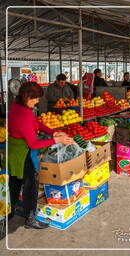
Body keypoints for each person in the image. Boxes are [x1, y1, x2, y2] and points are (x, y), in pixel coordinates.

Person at [8, 82, 73, 229]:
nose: (38, 101)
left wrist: (53, 132)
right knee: (31, 185)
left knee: (15, 182)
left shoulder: (18, 106)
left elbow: (35, 123)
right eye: (36, 98)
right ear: (27, 97)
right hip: (22, 154)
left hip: (14, 151)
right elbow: (33, 144)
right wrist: (57, 140)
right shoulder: (23, 114)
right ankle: (30, 218)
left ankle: (9, 212)